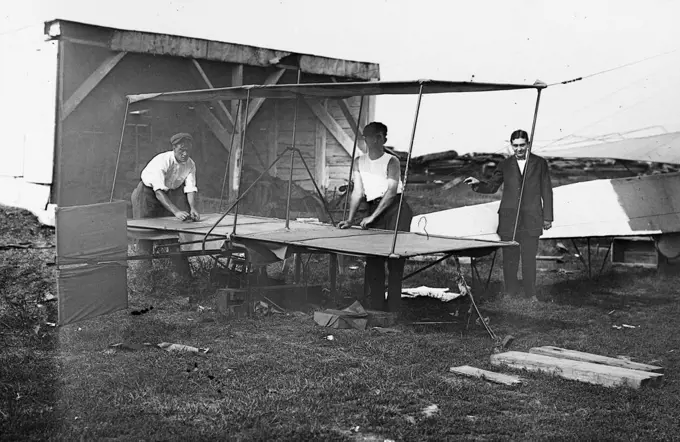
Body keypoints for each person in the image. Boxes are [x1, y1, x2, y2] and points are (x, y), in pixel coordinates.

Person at [464, 129, 553, 301]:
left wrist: (547, 217)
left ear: (528, 144)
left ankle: (531, 294)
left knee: (529, 259)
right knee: (510, 259)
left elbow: (546, 191)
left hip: (531, 219)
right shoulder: (505, 164)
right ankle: (510, 292)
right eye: (515, 146)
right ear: (511, 145)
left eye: (522, 145)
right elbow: (492, 186)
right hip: (509, 219)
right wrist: (477, 184)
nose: (519, 149)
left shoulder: (540, 163)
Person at [338, 122, 413, 312]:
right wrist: (350, 219)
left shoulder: (392, 160)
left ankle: (394, 307)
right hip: (375, 207)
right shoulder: (359, 161)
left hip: (396, 208)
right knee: (373, 261)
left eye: (381, 137)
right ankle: (377, 307)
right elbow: (357, 192)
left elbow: (391, 191)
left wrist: (372, 218)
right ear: (368, 139)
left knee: (395, 260)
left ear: (383, 139)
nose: (378, 140)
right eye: (372, 137)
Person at [131, 132, 201, 278]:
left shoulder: (190, 164)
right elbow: (158, 192)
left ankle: (180, 278)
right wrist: (176, 211)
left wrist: (193, 208)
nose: (185, 153)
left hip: (166, 194)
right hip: (147, 194)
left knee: (171, 233)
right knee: (146, 234)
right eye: (181, 150)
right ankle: (143, 278)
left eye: (187, 150)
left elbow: (190, 188)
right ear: (174, 148)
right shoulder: (162, 161)